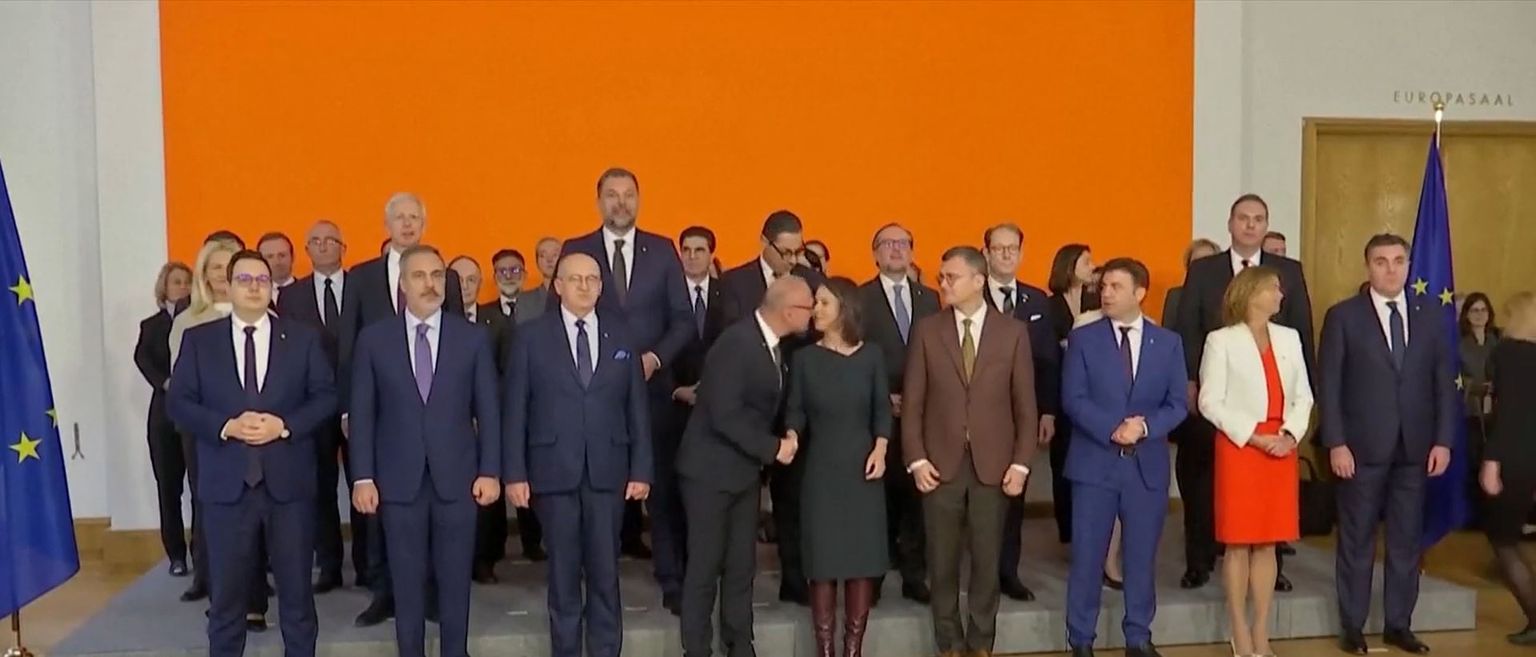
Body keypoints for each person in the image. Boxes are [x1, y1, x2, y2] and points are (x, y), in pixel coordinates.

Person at [167, 249, 336, 657]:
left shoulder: (302, 338)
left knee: (297, 600)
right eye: (244, 279)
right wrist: (225, 426)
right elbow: (179, 403)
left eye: (262, 280)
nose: (255, 287)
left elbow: (327, 396)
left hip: (288, 488)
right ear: (227, 285)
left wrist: (285, 425)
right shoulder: (199, 340)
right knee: (226, 601)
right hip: (226, 489)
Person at [348, 245, 502, 657]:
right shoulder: (374, 340)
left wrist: (490, 470)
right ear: (402, 284)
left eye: (437, 275)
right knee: (406, 583)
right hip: (397, 482)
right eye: (419, 276)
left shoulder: (472, 338)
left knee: (455, 583)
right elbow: (362, 414)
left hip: (459, 480)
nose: (430, 284)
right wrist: (362, 477)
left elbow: (489, 411)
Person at [504, 252, 653, 657]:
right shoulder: (531, 336)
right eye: (575, 279)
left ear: (602, 286)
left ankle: (605, 650)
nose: (585, 286)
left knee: (606, 571)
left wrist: (642, 469)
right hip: (552, 470)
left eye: (592, 279)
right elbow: (515, 409)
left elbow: (636, 408)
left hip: (609, 470)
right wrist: (514, 473)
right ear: (558, 286)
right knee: (563, 573)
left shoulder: (622, 335)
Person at [555, 167, 693, 590]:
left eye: (628, 194)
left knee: (663, 489)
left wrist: (656, 357)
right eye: (612, 195)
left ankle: (672, 580)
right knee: (593, 489)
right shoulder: (577, 249)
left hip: (652, 390)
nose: (620, 202)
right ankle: (592, 580)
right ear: (598, 201)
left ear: (639, 199)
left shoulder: (662, 250)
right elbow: (556, 320)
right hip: (594, 394)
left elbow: (683, 319)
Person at [1320, 233, 1456, 655]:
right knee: (1357, 540)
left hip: (1416, 448)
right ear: (1368, 267)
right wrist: (1336, 442)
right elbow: (1329, 385)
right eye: (1381, 261)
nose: (1391, 269)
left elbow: (1443, 384)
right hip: (1360, 449)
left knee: (1406, 541)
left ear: (1408, 265)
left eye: (1398, 260)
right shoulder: (1344, 316)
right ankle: (1353, 625)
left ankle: (1399, 624)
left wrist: (1443, 440)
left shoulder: (1430, 315)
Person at [1172, 193, 1315, 592]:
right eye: (1243, 218)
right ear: (1230, 224)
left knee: (1269, 489)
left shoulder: (1288, 270)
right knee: (1201, 479)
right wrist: (1189, 381)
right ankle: (1199, 560)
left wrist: (1305, 398)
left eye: (1259, 218)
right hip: (1214, 393)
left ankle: (1271, 566)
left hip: (1272, 400)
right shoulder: (1205, 270)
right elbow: (1188, 327)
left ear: (1266, 225)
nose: (1251, 225)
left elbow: (1302, 330)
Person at [337, 192, 465, 627]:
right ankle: (383, 592)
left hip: (431, 418)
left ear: (423, 225)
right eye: (400, 218)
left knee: (429, 510)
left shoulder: (441, 275)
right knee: (377, 511)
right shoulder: (361, 276)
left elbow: (452, 341)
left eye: (415, 218)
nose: (408, 224)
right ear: (386, 224)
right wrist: (348, 409)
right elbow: (348, 345)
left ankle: (427, 594)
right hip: (378, 413)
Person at [904, 246, 1038, 657]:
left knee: (986, 560)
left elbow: (1025, 407)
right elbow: (913, 403)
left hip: (994, 466)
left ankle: (981, 642)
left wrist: (1021, 463)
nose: (942, 283)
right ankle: (948, 642)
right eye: (941, 277)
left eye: (951, 277)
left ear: (979, 281)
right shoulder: (927, 330)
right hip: (938, 464)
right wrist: (916, 459)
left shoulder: (1013, 333)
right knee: (941, 562)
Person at [676, 275, 814, 657]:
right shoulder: (737, 343)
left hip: (743, 471)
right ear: (789, 311)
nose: (814, 314)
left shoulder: (773, 346)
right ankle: (697, 649)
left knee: (741, 566)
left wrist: (787, 434)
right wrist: (774, 448)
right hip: (709, 473)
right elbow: (724, 413)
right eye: (809, 307)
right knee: (705, 567)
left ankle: (739, 644)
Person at [1061, 258, 1188, 657]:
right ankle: (1081, 639)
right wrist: (1112, 428)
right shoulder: (1084, 339)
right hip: (1094, 464)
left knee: (1141, 557)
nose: (1106, 293)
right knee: (1087, 557)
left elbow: (1177, 403)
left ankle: (1138, 637)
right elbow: (1073, 398)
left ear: (1140, 292)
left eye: (1116, 286)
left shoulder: (1167, 342)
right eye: (1103, 286)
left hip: (1145, 467)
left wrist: (1144, 427)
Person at [1198, 266, 1314, 657]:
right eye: (1274, 288)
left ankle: (1261, 630)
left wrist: (1289, 435)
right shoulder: (1221, 341)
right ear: (1252, 294)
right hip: (1241, 447)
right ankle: (1239, 630)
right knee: (1239, 542)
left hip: (1280, 447)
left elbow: (1303, 396)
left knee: (1268, 543)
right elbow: (1209, 401)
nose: (1281, 295)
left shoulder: (1289, 337)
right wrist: (1253, 435)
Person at [718, 209, 827, 604]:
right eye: (785, 252)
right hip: (749, 407)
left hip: (796, 404)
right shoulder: (735, 283)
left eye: (798, 251)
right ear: (764, 243)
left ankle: (795, 578)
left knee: (794, 498)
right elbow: (730, 337)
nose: (793, 260)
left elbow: (821, 334)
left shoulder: (811, 280)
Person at [785, 277, 892, 657]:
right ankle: (826, 649)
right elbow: (795, 410)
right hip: (821, 470)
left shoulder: (871, 356)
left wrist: (881, 448)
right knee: (823, 560)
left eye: (824, 303)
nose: (815, 309)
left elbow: (882, 409)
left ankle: (853, 649)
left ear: (845, 308)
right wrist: (791, 436)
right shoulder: (805, 359)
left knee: (861, 559)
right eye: (816, 302)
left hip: (863, 468)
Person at [857, 222, 938, 605]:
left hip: (923, 416)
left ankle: (914, 576)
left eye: (903, 243)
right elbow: (855, 354)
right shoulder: (861, 298)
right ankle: (872, 578)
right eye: (887, 243)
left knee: (917, 499)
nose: (896, 249)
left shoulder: (930, 298)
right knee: (877, 501)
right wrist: (882, 397)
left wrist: (919, 397)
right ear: (875, 253)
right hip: (877, 415)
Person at [980, 224, 1059, 603]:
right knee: (980, 499)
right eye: (999, 248)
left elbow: (1048, 361)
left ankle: (1007, 572)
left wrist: (1047, 411)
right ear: (986, 253)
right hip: (980, 415)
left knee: (1014, 498)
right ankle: (982, 572)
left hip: (1022, 415)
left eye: (1013, 248)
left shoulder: (1037, 300)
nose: (1006, 254)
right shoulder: (971, 295)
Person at [274, 219, 354, 593]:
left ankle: (370, 565)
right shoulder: (291, 296)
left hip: (359, 401)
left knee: (365, 482)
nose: (323, 246)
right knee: (321, 488)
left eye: (330, 240)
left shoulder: (361, 286)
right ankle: (329, 565)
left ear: (343, 247)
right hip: (313, 405)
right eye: (315, 241)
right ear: (305, 251)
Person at [168, 238, 241, 605]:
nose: (224, 274)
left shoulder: (263, 315)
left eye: (231, 267)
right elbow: (182, 385)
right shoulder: (188, 321)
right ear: (205, 275)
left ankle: (253, 581)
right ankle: (206, 575)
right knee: (206, 501)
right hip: (205, 430)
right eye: (217, 268)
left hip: (253, 428)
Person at [660, 225, 723, 615]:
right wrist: (675, 389)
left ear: (711, 254)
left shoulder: (726, 295)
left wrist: (712, 391)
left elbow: (735, 347)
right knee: (668, 499)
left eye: (700, 249)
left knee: (706, 502)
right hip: (671, 409)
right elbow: (652, 345)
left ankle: (703, 577)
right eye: (686, 249)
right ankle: (672, 581)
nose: (693, 256)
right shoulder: (665, 294)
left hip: (716, 413)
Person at [448, 254, 516, 584]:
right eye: (458, 280)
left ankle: (485, 559)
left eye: (471, 279)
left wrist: (484, 415)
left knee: (489, 496)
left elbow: (508, 374)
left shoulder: (497, 322)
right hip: (450, 426)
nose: (465, 286)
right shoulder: (437, 322)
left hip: (489, 423)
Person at [1480, 291, 1536, 645]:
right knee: (1513, 539)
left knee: (1503, 541)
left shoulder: (1508, 353)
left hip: (1512, 455)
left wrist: (1491, 459)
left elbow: (1508, 413)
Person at [135, 261, 192, 576]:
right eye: (176, 282)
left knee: (202, 487)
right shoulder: (151, 325)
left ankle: (203, 552)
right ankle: (176, 556)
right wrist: (165, 382)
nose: (182, 287)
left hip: (195, 413)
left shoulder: (200, 320)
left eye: (187, 282)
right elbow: (142, 359)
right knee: (169, 488)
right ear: (164, 288)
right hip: (164, 414)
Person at [1460, 291, 1500, 524]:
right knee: (1473, 461)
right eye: (1474, 310)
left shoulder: (1497, 342)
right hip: (1470, 411)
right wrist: (1475, 386)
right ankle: (1472, 515)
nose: (1479, 314)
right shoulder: (1460, 344)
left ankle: (1490, 513)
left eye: (1483, 310)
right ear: (1466, 315)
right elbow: (1454, 377)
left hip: (1495, 412)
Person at [1160, 238, 1220, 326]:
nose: (1203, 266)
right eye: (1197, 262)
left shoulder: (1228, 296)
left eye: (1209, 260)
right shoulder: (1176, 296)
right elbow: (1168, 331)